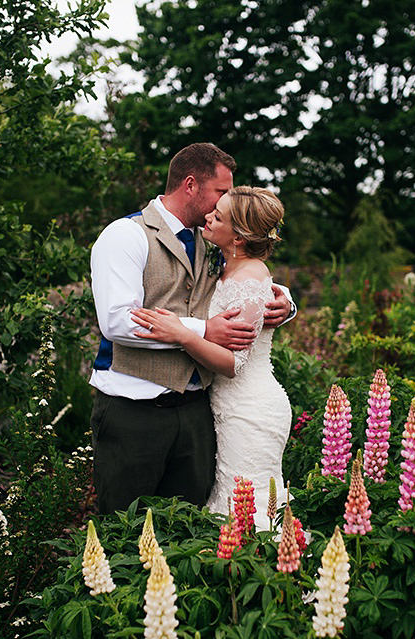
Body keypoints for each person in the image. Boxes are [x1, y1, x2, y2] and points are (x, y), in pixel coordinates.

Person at [88, 143, 294, 516]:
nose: (223, 202)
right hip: (135, 413)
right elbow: (117, 320)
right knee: (122, 529)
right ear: (191, 185)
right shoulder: (125, 235)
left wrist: (286, 305)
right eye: (220, 192)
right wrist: (202, 330)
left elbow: (250, 275)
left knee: (191, 531)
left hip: (199, 414)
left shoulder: (213, 238)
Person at [131, 186, 292, 531]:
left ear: (238, 236)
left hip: (250, 410)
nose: (207, 216)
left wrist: (183, 334)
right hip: (227, 408)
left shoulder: (248, 278)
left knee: (251, 509)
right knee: (231, 503)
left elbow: (234, 364)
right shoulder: (227, 265)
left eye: (218, 216)